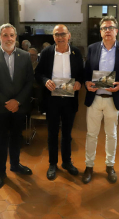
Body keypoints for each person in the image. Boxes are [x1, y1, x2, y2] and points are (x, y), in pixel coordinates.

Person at [83, 16, 119, 184]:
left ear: (116, 31)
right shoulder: (92, 49)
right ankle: (89, 166)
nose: (108, 31)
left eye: (111, 27)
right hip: (95, 98)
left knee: (111, 134)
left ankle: (110, 165)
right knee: (91, 134)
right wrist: (86, 83)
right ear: (100, 32)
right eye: (104, 28)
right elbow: (86, 72)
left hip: (113, 99)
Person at [0, 23, 34, 189]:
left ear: (15, 37)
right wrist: (7, 102)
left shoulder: (25, 56)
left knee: (16, 137)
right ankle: (0, 172)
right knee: (0, 140)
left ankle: (15, 164)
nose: (9, 38)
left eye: (11, 35)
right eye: (5, 35)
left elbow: (29, 82)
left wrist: (17, 101)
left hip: (19, 107)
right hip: (0, 107)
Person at [35, 24, 84, 180]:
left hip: (70, 100)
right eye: (57, 34)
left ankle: (67, 162)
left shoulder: (76, 53)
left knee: (67, 134)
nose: (60, 37)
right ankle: (52, 163)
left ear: (69, 35)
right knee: (52, 133)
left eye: (63, 34)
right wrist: (45, 81)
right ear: (53, 37)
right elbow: (38, 73)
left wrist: (79, 83)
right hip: (52, 100)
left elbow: (82, 74)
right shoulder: (46, 53)